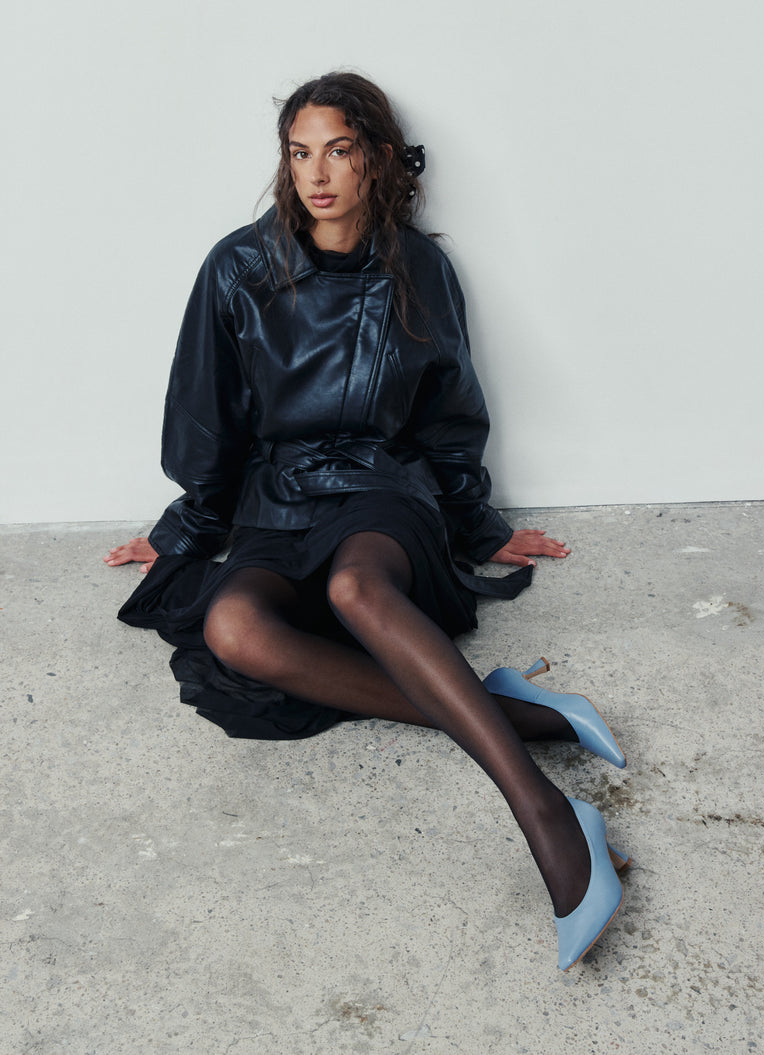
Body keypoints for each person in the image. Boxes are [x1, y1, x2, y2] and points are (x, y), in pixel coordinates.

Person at [105, 72, 629, 971]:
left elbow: (448, 416)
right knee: (233, 628)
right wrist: (185, 529)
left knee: (356, 588)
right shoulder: (236, 268)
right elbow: (208, 423)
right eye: (300, 153)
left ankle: (550, 816)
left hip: (384, 494)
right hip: (278, 499)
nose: (317, 174)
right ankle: (513, 710)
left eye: (339, 150)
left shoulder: (419, 267)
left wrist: (475, 520)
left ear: (376, 158)